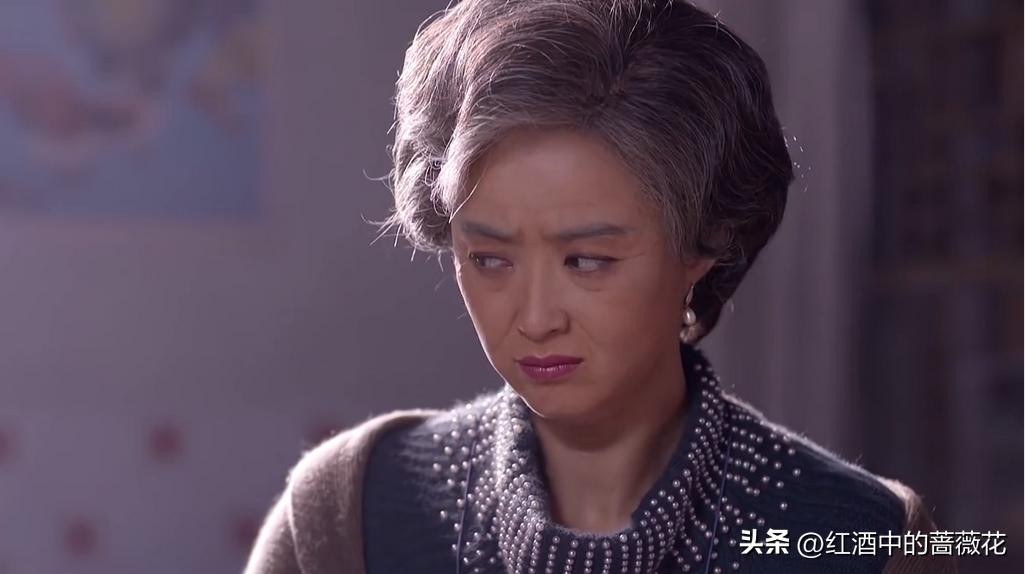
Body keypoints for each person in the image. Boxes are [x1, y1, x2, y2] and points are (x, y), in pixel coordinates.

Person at [243, 1, 958, 572]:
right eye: (488, 259)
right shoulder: (349, 514)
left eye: (586, 261)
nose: (534, 318)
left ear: (703, 244)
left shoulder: (867, 540)